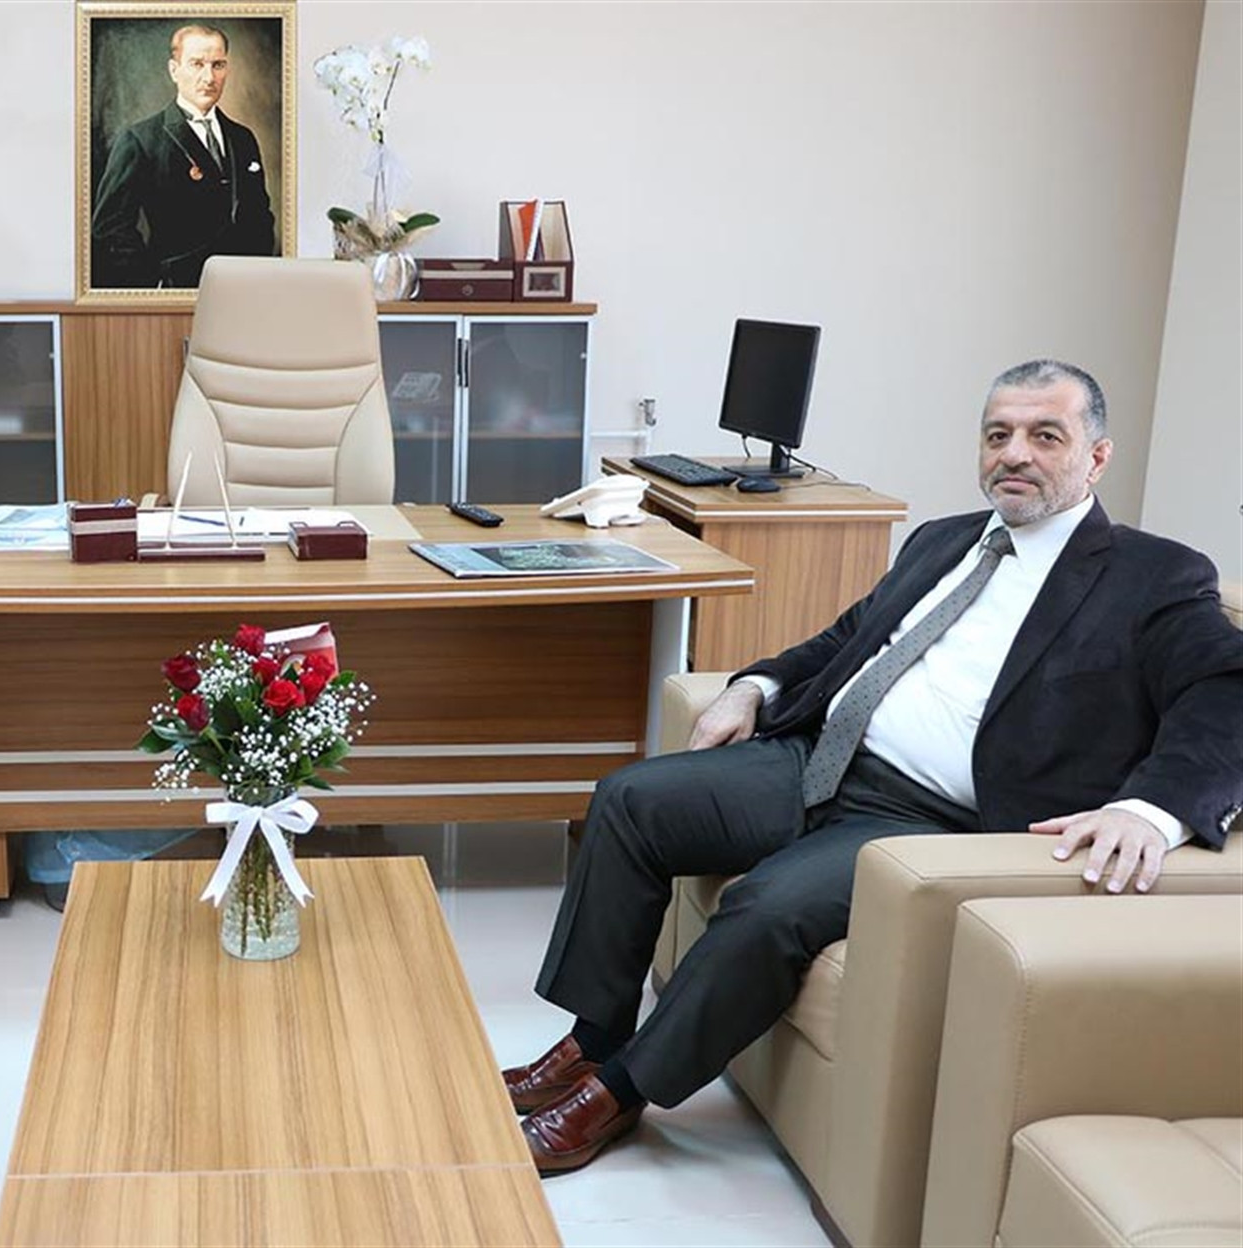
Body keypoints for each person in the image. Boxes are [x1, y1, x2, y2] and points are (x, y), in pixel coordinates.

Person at [507, 359, 1243, 1176]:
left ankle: (617, 1091)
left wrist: (1151, 810)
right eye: (998, 435)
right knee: (628, 800)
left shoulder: (1152, 575)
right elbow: (848, 638)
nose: (1015, 454)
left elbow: (1225, 691)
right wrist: (757, 685)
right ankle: (594, 1038)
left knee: (766, 907)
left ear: (1096, 458)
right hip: (819, 760)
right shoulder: (943, 540)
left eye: (1045, 436)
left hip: (924, 820)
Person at [90, 23, 277, 289]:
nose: (209, 78)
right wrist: (155, 283)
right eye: (197, 64)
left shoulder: (243, 138)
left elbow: (260, 217)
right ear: (174, 70)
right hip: (176, 291)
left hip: (243, 289)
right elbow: (110, 229)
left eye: (218, 65)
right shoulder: (140, 140)